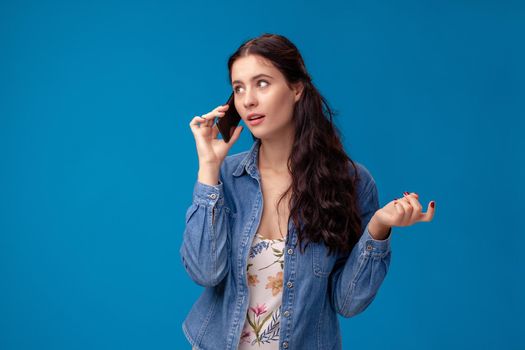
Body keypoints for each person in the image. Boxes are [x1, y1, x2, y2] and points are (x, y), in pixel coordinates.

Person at [181, 33, 435, 350]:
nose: (247, 100)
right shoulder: (225, 179)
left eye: (262, 83)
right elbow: (205, 272)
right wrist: (208, 168)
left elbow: (348, 303)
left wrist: (378, 228)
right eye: (238, 88)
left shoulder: (350, 181)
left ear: (297, 88)